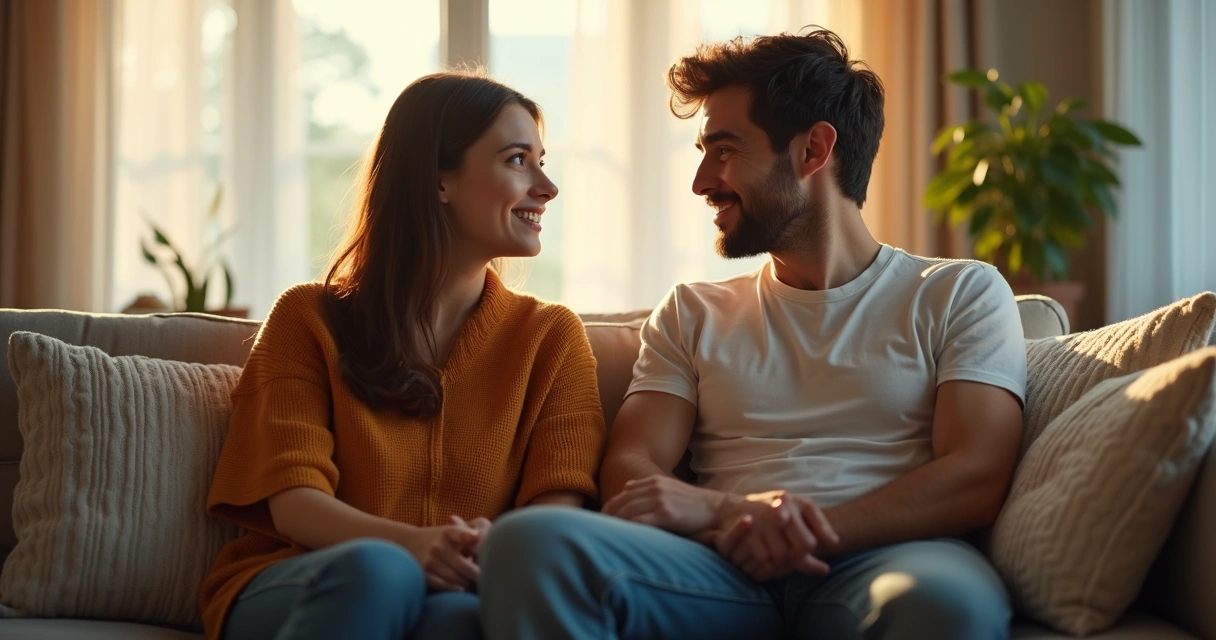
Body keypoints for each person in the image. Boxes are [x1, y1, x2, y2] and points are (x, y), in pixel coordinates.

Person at [478, 28, 1026, 640]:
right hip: (718, 567)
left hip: (891, 560)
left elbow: (975, 474)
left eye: (725, 149)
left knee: (950, 605)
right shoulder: (691, 312)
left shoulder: (959, 293)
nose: (701, 181)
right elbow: (632, 465)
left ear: (813, 150)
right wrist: (733, 517)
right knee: (531, 542)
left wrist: (795, 529)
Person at [198, 71, 607, 640]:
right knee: (381, 571)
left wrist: (468, 556)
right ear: (440, 179)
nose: (547, 186)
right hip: (299, 579)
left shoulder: (551, 338)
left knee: (462, 622)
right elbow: (294, 503)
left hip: (462, 587)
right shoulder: (308, 318)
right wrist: (414, 546)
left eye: (542, 160)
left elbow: (555, 513)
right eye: (518, 160)